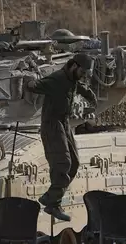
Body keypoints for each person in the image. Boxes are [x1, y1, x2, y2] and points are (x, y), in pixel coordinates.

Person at [24, 53, 98, 222]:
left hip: (64, 122)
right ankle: (53, 202)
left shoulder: (71, 79)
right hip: (52, 124)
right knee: (63, 162)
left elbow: (76, 87)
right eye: (82, 72)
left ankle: (51, 198)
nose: (83, 76)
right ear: (74, 66)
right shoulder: (57, 79)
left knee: (74, 163)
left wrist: (90, 96)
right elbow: (35, 86)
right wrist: (28, 82)